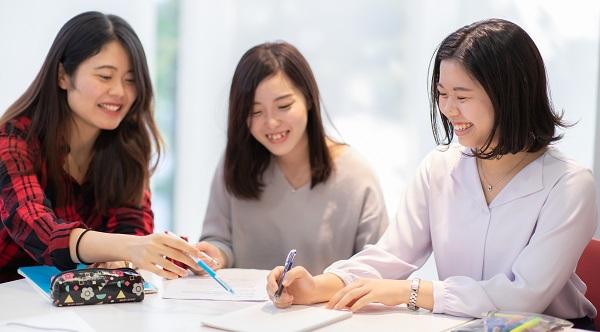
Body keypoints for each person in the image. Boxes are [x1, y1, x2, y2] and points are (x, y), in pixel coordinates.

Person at [266, 19, 597, 330]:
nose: (448, 109)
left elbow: (524, 296)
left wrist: (408, 292)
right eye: (442, 94)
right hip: (461, 325)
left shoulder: (570, 185)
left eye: (462, 96)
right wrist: (316, 286)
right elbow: (393, 254)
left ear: (509, 96)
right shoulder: (440, 166)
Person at [0, 11, 203, 283]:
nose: (120, 92)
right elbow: (39, 229)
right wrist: (128, 247)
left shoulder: (127, 144)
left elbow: (132, 229)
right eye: (105, 76)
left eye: (131, 80)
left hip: (73, 307)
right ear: (63, 76)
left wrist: (130, 254)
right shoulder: (13, 140)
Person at [196, 41, 389, 274]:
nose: (271, 123)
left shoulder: (356, 176)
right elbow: (219, 241)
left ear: (308, 99)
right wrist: (213, 255)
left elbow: (379, 268)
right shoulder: (235, 162)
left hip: (328, 309)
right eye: (255, 112)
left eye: (284, 106)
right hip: (245, 309)